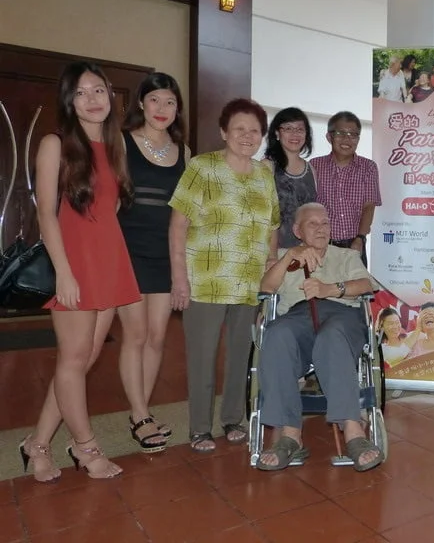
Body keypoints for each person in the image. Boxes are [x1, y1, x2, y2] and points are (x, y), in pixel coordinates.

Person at [20, 61, 140, 481]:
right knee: (72, 360)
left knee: (82, 360)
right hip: (75, 264)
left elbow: (113, 207)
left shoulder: (116, 146)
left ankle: (36, 445)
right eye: (82, 93)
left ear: (111, 95)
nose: (93, 100)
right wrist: (64, 272)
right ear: (69, 101)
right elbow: (47, 215)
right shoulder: (55, 144)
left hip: (109, 260)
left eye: (99, 91)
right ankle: (86, 448)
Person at [169, 98, 280, 453]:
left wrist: (271, 267)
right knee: (202, 357)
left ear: (262, 136)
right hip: (204, 281)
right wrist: (179, 279)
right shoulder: (203, 167)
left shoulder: (265, 174)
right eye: (239, 129)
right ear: (223, 132)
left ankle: (233, 418)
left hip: (249, 284)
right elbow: (178, 224)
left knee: (240, 355)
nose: (247, 136)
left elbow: (273, 225)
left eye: (254, 131)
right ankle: (200, 428)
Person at [255, 203, 383, 472]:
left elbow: (366, 285)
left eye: (324, 223)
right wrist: (290, 256)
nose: (321, 228)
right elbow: (265, 287)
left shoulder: (346, 255)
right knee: (277, 335)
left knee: (332, 336)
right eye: (312, 224)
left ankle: (353, 432)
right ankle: (290, 436)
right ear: (297, 230)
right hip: (298, 318)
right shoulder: (284, 256)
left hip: (342, 315)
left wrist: (329, 289)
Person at [117, 72, 188, 453]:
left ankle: (138, 413)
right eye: (155, 100)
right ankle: (141, 415)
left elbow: (187, 212)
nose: (162, 109)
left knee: (158, 337)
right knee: (136, 335)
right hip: (127, 251)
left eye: (170, 102)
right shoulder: (121, 142)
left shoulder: (184, 151)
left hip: (165, 253)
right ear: (142, 103)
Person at [310, 111, 381, 268]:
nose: (347, 139)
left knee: (356, 289)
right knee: (320, 289)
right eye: (341, 133)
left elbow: (369, 206)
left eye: (353, 134)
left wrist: (360, 238)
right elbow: (308, 207)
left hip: (354, 244)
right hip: (321, 245)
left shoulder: (368, 167)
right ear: (329, 137)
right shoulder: (314, 166)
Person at [262, 107, 317, 248]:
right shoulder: (267, 166)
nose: (295, 134)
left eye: (300, 129)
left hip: (305, 252)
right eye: (288, 128)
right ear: (277, 133)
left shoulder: (311, 169)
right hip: (273, 253)